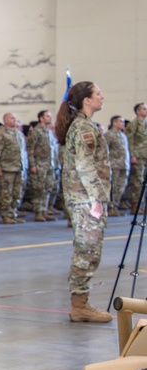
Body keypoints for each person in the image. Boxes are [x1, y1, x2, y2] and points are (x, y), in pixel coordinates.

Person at [55, 82, 114, 323]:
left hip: (84, 198)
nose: (103, 96)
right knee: (87, 252)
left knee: (89, 251)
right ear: (86, 100)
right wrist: (97, 199)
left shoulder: (83, 125)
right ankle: (79, 305)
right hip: (85, 199)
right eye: (98, 93)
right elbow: (84, 166)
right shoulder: (83, 128)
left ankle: (81, 303)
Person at [0, 112, 28, 224]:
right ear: (5, 120)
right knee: (6, 193)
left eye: (16, 118)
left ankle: (13, 213)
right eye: (12, 118)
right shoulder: (1, 133)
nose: (15, 120)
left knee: (17, 192)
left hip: (19, 167)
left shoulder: (18, 134)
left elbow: (23, 151)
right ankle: (6, 215)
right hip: (6, 167)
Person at [27, 110, 60, 222]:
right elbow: (30, 149)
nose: (49, 118)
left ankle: (44, 211)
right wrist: (32, 164)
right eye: (47, 116)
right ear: (41, 118)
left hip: (50, 165)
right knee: (39, 190)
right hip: (39, 164)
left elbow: (54, 150)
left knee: (47, 189)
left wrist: (55, 164)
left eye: (50, 116)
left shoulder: (49, 132)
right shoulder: (36, 132)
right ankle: (38, 212)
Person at [105, 115, 130, 217]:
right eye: (121, 122)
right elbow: (104, 150)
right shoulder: (108, 135)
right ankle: (110, 207)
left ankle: (115, 206)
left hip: (124, 164)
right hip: (114, 165)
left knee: (121, 187)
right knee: (113, 187)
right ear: (114, 123)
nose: (123, 124)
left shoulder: (123, 135)